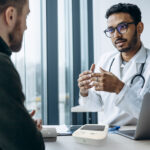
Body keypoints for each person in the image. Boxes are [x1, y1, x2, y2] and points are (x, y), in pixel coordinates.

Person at [78, 3, 150, 126]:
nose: (116, 35)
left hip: (138, 137)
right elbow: (97, 104)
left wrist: (119, 88)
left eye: (123, 27)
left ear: (139, 28)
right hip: (108, 134)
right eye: (111, 30)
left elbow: (147, 116)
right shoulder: (106, 59)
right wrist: (85, 92)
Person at [0, 0, 45, 149]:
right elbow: (29, 146)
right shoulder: (2, 66)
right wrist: (29, 132)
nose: (26, 26)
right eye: (26, 17)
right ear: (10, 16)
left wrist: (20, 122)